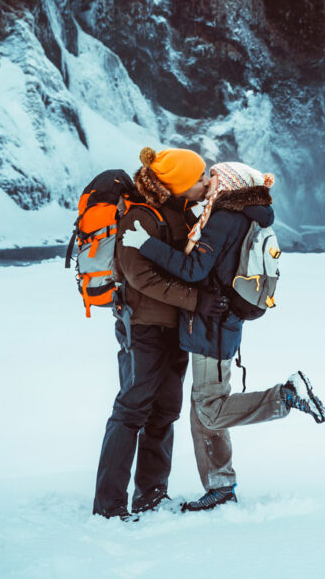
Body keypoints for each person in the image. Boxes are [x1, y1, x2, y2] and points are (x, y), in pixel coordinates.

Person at [121, 161, 325, 512]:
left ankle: (285, 396)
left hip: (210, 325)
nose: (208, 182)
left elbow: (193, 268)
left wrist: (146, 244)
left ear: (230, 182)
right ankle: (220, 485)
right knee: (202, 410)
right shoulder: (246, 214)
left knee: (210, 410)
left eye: (213, 177)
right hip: (220, 322)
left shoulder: (224, 218)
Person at [93, 147, 230, 520]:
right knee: (131, 409)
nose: (205, 182)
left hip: (175, 328)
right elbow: (141, 276)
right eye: (199, 178)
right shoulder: (140, 217)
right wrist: (194, 300)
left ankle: (152, 495)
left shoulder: (185, 214)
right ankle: (109, 505)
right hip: (142, 328)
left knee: (165, 409)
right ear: (179, 184)